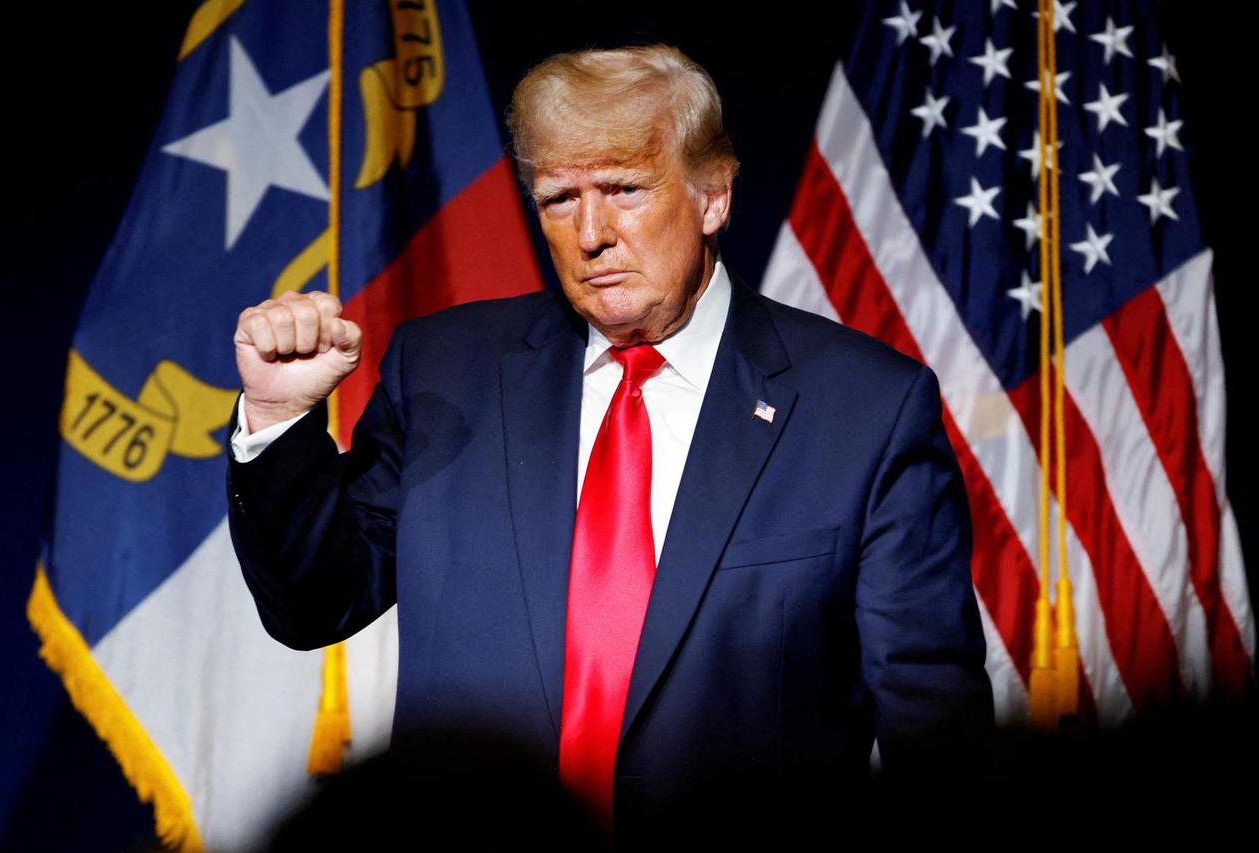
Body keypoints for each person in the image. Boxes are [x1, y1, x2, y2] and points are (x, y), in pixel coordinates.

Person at [228, 44, 992, 839]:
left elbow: (932, 732)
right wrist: (280, 419)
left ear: (714, 195)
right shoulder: (444, 372)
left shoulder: (865, 409)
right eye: (559, 198)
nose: (591, 233)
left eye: (625, 189)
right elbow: (315, 602)